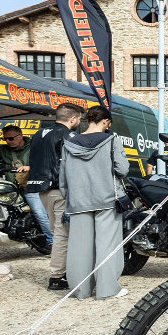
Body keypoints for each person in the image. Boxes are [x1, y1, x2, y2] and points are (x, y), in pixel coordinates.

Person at [60, 106, 129, 300]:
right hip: (106, 198)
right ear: (105, 121)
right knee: (107, 245)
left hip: (78, 200)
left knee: (80, 248)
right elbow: (122, 169)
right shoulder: (111, 140)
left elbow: (63, 176)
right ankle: (107, 290)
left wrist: (69, 198)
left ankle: (81, 290)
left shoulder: (69, 143)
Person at [25, 103, 85, 290]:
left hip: (41, 189)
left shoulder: (38, 134)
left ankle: (61, 272)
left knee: (56, 232)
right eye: (79, 119)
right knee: (62, 234)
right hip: (59, 189)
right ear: (73, 118)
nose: (79, 122)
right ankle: (58, 277)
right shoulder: (68, 135)